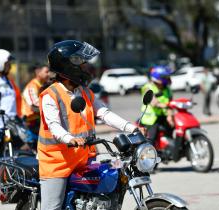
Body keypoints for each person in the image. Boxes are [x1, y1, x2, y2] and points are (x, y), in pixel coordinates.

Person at [38, 40, 143, 210]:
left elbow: (104, 113)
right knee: (53, 207)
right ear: (67, 66)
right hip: (57, 163)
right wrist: (69, 138)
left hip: (84, 158)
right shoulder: (51, 95)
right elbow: (53, 125)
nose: (86, 67)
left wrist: (132, 128)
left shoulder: (85, 91)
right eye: (81, 62)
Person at [140, 65, 174, 145]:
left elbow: (170, 102)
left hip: (163, 116)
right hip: (150, 120)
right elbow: (153, 103)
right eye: (166, 77)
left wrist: (170, 116)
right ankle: (149, 154)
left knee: (172, 131)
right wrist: (166, 105)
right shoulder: (148, 87)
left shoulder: (167, 89)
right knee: (151, 140)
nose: (168, 79)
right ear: (158, 78)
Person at [22, 63, 49, 146]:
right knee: (32, 146)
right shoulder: (32, 86)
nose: (48, 74)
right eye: (46, 72)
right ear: (38, 72)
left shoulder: (41, 85)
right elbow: (34, 105)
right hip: (31, 123)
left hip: (37, 122)